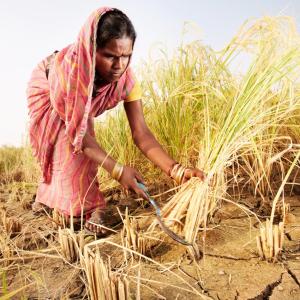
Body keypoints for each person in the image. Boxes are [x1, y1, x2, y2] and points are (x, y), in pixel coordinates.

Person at [27, 7, 205, 236]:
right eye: (110, 56)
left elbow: (141, 133)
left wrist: (176, 170)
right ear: (92, 50)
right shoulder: (70, 73)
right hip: (48, 83)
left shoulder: (127, 78)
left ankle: (66, 201)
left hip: (76, 101)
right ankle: (77, 204)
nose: (119, 65)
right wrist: (119, 171)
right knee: (68, 143)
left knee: (78, 133)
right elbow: (80, 135)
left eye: (126, 56)